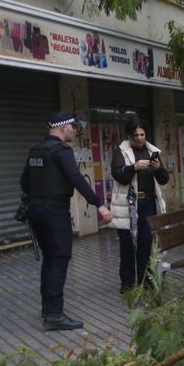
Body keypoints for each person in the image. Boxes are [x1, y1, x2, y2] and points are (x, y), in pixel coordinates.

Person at [20, 112, 112, 331]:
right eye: (72, 127)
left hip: (36, 212)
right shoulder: (62, 151)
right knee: (59, 259)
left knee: (50, 259)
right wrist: (97, 203)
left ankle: (48, 308)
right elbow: (76, 178)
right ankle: (54, 315)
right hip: (54, 212)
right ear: (63, 128)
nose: (74, 130)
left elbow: (24, 182)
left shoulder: (36, 149)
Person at [109, 121, 170, 292]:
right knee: (127, 244)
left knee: (146, 244)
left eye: (142, 135)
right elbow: (118, 175)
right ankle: (127, 283)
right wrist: (133, 168)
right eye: (136, 135)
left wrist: (158, 169)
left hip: (148, 202)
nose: (139, 138)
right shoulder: (121, 151)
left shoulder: (152, 151)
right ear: (129, 136)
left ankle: (146, 280)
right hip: (128, 204)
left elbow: (164, 179)